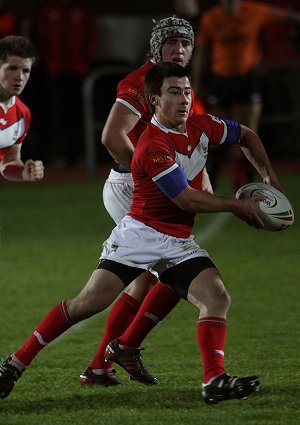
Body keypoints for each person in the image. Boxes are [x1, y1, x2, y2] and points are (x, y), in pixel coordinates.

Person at [0, 62, 283, 404]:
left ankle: (214, 381)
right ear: (154, 100)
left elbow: (247, 136)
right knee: (87, 304)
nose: (184, 99)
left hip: (178, 240)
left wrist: (270, 180)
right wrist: (238, 206)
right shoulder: (152, 144)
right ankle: (15, 364)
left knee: (216, 297)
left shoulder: (203, 126)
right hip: (140, 237)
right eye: (174, 92)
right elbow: (184, 197)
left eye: (188, 91)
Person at [79, 16, 210, 386]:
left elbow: (190, 146)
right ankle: (117, 352)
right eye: (171, 43)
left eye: (186, 44)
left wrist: (204, 189)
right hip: (130, 187)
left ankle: (103, 363)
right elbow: (112, 136)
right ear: (155, 47)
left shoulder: (176, 84)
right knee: (174, 273)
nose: (180, 49)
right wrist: (149, 179)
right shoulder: (140, 82)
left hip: (145, 184)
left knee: (147, 281)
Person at [191, 0, 300, 191]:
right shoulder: (211, 19)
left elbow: (287, 17)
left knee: (249, 134)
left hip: (247, 79)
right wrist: (197, 84)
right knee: (216, 137)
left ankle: (250, 186)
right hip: (221, 79)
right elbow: (202, 52)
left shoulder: (254, 11)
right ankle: (210, 188)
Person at [0, 35, 44, 182]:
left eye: (26, 71)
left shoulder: (22, 113)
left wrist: (23, 173)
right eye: (12, 68)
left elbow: (8, 160)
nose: (19, 77)